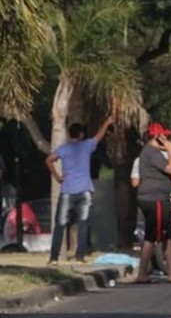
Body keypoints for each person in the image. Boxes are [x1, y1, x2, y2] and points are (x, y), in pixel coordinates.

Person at [45, 113, 114, 264]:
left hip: (67, 190)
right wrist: (107, 122)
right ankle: (80, 256)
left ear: (70, 134)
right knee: (83, 223)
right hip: (84, 190)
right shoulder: (87, 145)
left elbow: (49, 160)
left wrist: (57, 177)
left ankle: (54, 257)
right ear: (81, 134)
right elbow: (99, 136)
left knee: (60, 224)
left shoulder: (64, 149)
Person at [134, 122, 171, 283]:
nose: (167, 138)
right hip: (154, 200)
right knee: (152, 237)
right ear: (157, 137)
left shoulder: (153, 152)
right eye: (164, 136)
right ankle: (146, 273)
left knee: (169, 235)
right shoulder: (151, 153)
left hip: (159, 198)